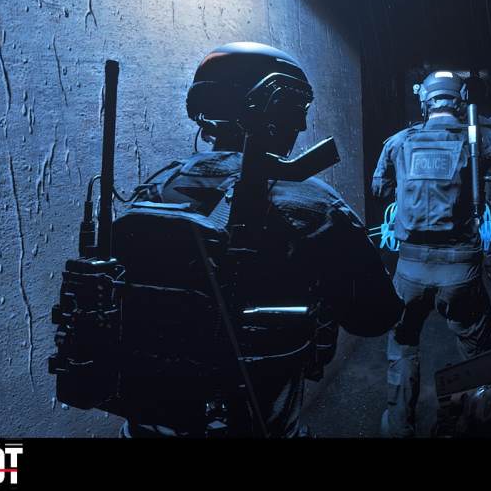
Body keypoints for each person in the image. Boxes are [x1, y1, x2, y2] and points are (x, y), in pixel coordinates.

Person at [115, 41, 404, 437]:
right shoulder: (311, 202)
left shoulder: (157, 186)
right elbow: (375, 317)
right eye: (297, 111)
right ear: (273, 107)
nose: (300, 127)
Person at [373, 70, 491, 437]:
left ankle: (398, 426)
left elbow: (380, 188)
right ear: (460, 98)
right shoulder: (483, 141)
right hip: (460, 272)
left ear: (425, 101)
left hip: (410, 270)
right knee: (481, 354)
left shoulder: (399, 142)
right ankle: (479, 423)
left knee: (403, 347)